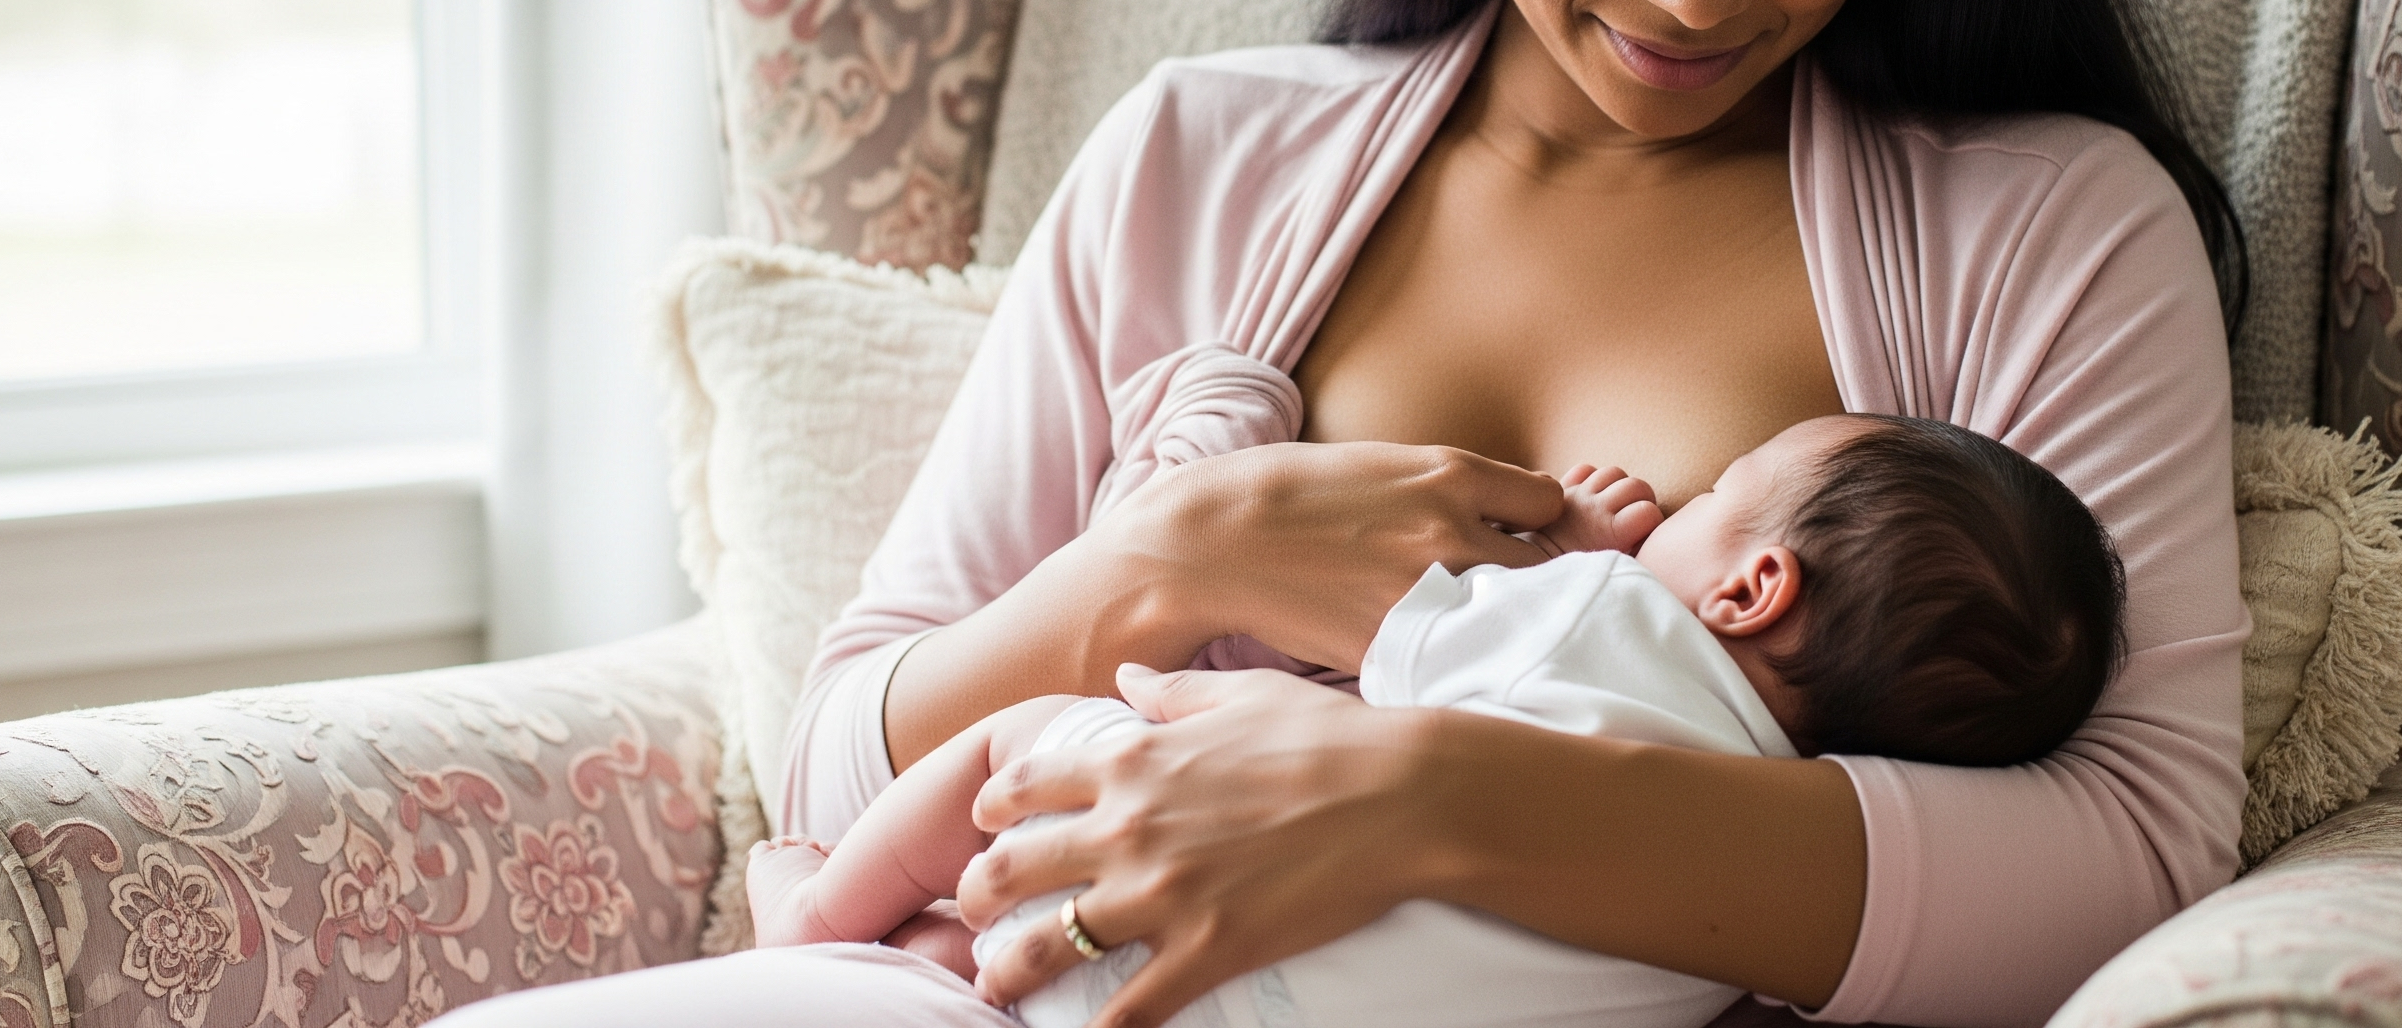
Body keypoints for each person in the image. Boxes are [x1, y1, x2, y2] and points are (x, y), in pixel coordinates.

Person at [439, 0, 2247, 1024]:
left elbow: (2136, 849)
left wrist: (1429, 792)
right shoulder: (1198, 157)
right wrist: (1169, 555)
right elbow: (835, 754)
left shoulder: (2045, 232)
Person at [741, 415, 2128, 1028]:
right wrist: (1161, 549)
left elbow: (1401, 624)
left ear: (1751, 587)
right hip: (1260, 1003)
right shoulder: (1745, 930)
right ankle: (926, 950)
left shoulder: (1603, 615)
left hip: (1150, 906)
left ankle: (817, 915)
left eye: (1716, 491)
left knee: (1015, 744)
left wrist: (1578, 541)